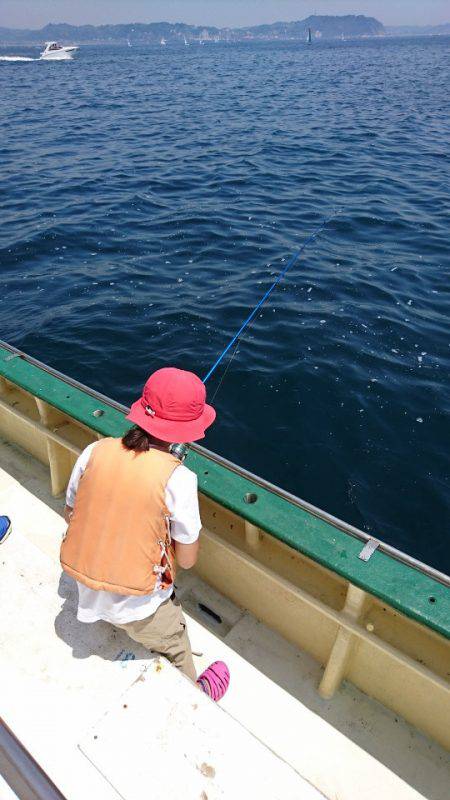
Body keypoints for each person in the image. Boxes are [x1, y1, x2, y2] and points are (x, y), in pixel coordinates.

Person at [61, 367, 229, 702]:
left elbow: (70, 511)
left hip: (83, 585)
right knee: (177, 644)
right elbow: (188, 559)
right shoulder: (180, 479)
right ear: (187, 431)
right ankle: (196, 695)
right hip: (136, 608)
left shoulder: (96, 450)